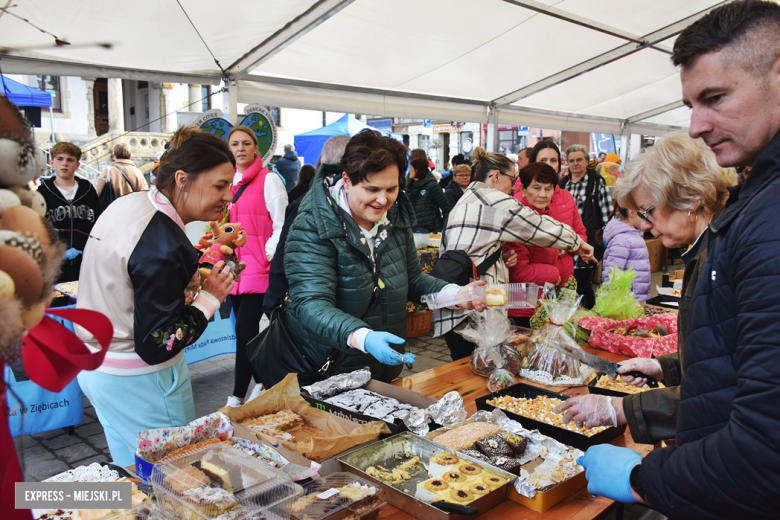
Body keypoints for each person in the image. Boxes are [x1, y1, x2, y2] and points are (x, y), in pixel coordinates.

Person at [562, 4, 780, 507]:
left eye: (715, 98)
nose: (697, 125)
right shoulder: (753, 201)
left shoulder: (767, 219)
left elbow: (764, 446)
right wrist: (675, 369)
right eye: (690, 104)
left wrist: (643, 477)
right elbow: (735, 367)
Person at [74, 127, 236, 466]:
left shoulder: (130, 204)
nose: (227, 197)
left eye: (229, 186)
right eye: (220, 185)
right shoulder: (164, 244)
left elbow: (136, 276)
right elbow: (157, 343)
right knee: (175, 478)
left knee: (130, 472)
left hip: (96, 365)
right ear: (182, 179)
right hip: (139, 381)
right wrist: (209, 298)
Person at [284, 130, 484, 382]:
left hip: (382, 370)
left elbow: (412, 279)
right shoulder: (313, 224)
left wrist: (455, 294)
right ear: (346, 180)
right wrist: (363, 337)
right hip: (329, 371)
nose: (383, 199)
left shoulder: (395, 217)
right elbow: (311, 303)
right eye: (372, 189)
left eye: (392, 188)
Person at [433, 147, 594, 360]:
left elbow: (477, 246)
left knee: (466, 365)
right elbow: (537, 226)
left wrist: (501, 257)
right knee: (485, 367)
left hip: (454, 301)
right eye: (513, 179)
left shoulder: (467, 199)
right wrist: (578, 243)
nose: (513, 187)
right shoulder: (493, 200)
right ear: (497, 176)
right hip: (475, 306)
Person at [225, 126, 288, 407]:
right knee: (248, 335)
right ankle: (264, 383)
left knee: (244, 334)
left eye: (246, 143)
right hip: (234, 272)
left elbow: (282, 224)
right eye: (235, 143)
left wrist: (266, 255)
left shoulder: (269, 180)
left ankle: (237, 396)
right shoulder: (227, 183)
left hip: (259, 272)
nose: (240, 148)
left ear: (255, 149)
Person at [263, 135, 350, 318]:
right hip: (310, 314)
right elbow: (284, 258)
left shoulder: (320, 200)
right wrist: (275, 308)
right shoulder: (311, 205)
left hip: (325, 313)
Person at [503, 163, 567, 328]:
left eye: (548, 189)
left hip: (540, 302)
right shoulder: (521, 222)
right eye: (537, 188)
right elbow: (519, 273)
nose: (543, 194)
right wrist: (554, 274)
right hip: (524, 307)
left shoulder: (544, 216)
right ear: (523, 190)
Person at [524, 141, 586, 289]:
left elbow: (581, 234)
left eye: (553, 160)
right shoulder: (525, 198)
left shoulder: (566, 197)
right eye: (543, 160)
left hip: (566, 278)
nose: (549, 165)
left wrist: (567, 245)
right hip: (536, 284)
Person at [39, 141, 102, 284]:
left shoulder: (88, 190)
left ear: (78, 165)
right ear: (52, 162)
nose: (64, 164)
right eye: (60, 159)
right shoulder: (42, 194)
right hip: (55, 268)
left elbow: (99, 223)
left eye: (70, 160)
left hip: (86, 265)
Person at [559, 143, 612, 308]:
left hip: (587, 243)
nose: (575, 163)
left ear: (587, 161)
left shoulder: (596, 183)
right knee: (566, 286)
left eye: (579, 160)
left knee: (583, 284)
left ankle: (590, 318)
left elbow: (607, 214)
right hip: (565, 245)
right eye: (572, 160)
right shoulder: (562, 184)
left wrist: (605, 242)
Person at [600, 205, 651, 302]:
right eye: (645, 214)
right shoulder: (622, 240)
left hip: (637, 301)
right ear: (632, 213)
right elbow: (612, 274)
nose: (648, 218)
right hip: (625, 304)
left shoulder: (634, 236)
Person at [406, 157, 451, 233]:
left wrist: (443, 229)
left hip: (429, 231)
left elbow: (446, 208)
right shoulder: (409, 185)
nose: (409, 170)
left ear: (417, 169)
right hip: (411, 229)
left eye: (410, 167)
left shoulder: (432, 186)